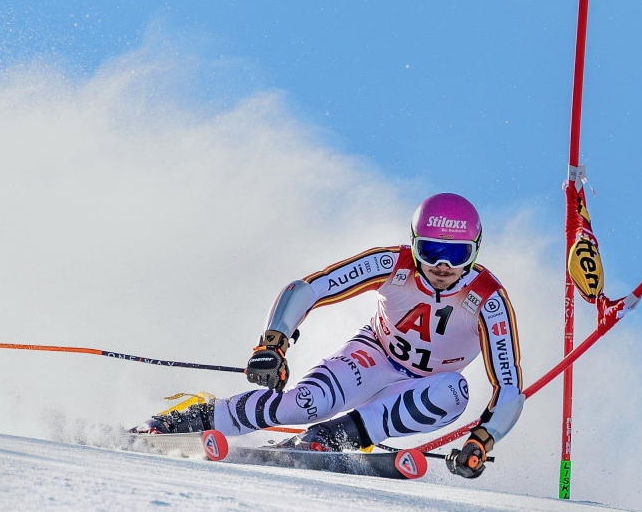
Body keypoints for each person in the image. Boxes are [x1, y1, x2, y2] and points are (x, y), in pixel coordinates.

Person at [136, 193, 523, 478]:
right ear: (413, 244)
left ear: (474, 252)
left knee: (455, 391)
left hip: (423, 389)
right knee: (305, 402)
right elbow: (306, 289)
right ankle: (191, 419)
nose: (441, 265)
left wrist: (482, 441)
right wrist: (273, 344)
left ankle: (332, 437)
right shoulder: (392, 263)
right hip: (373, 356)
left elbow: (508, 387)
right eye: (431, 250)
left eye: (455, 255)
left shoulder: (488, 300)